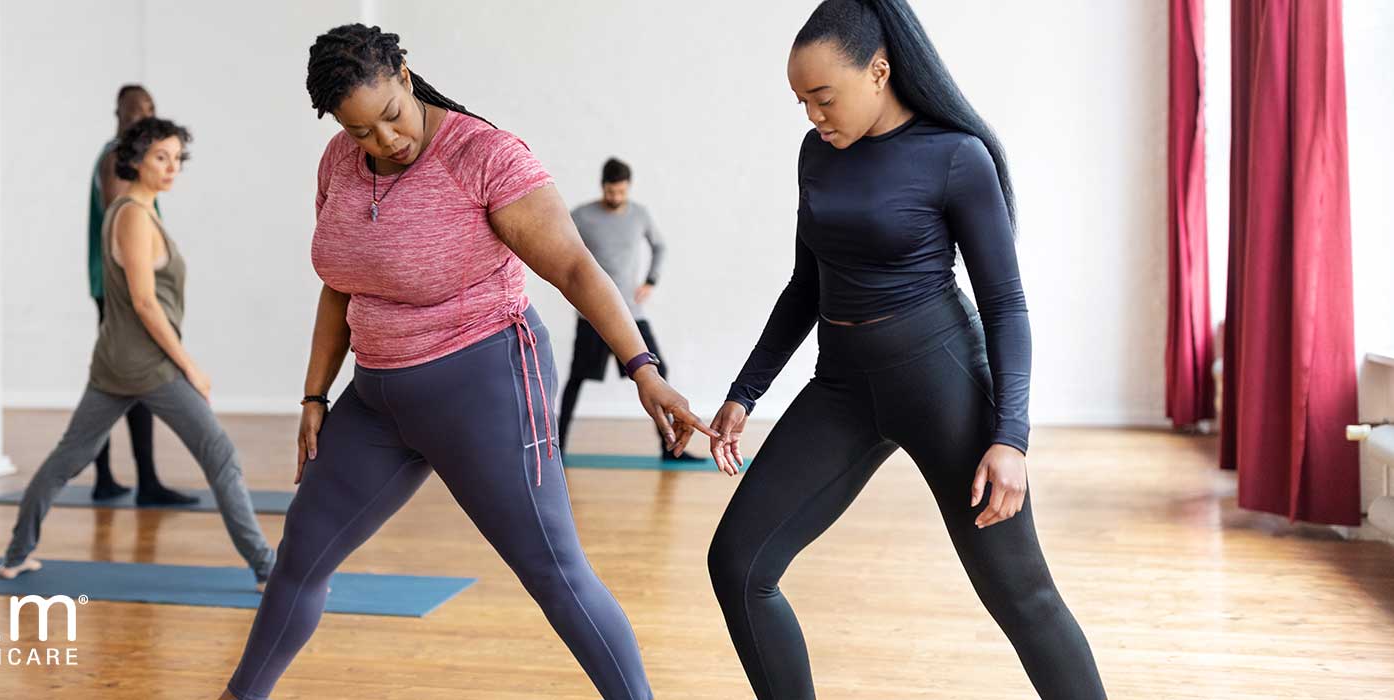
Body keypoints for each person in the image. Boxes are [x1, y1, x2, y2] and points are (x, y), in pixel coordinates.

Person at [221, 24, 713, 700]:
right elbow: (341, 280)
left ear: (404, 72)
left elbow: (574, 266)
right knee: (299, 560)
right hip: (377, 401)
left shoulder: (483, 156)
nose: (385, 141)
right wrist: (314, 397)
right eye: (361, 131)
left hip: (485, 385)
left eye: (391, 115)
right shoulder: (338, 162)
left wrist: (643, 368)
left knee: (554, 573)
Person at [703, 2, 1106, 698]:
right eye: (801, 102)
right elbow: (807, 283)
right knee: (737, 563)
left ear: (879, 71)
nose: (812, 117)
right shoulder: (816, 157)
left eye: (823, 97)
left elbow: (1006, 304)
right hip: (841, 388)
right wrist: (746, 391)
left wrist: (1011, 437)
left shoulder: (954, 156)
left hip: (941, 382)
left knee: (1021, 597)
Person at [2, 117, 275, 590]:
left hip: (115, 362)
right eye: (160, 157)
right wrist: (190, 367)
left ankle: (15, 555)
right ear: (136, 160)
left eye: (176, 158)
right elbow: (145, 302)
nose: (171, 168)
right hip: (145, 365)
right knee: (221, 455)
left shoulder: (139, 212)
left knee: (69, 458)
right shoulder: (130, 214)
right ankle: (269, 569)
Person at [86, 84, 196, 505]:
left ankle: (122, 478)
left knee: (120, 380)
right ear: (118, 113)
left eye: (149, 109)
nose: (142, 116)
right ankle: (131, 479)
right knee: (130, 378)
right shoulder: (121, 161)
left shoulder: (135, 165)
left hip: (127, 285)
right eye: (134, 110)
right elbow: (123, 221)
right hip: (119, 288)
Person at [558, 158, 700, 461]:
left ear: (628, 188)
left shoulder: (639, 215)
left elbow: (660, 246)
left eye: (621, 192)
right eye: (611, 192)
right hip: (592, 314)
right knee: (576, 378)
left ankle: (670, 448)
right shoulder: (582, 216)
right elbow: (561, 252)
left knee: (657, 373)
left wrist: (651, 280)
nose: (616, 197)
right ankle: (557, 446)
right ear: (603, 187)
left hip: (630, 312)